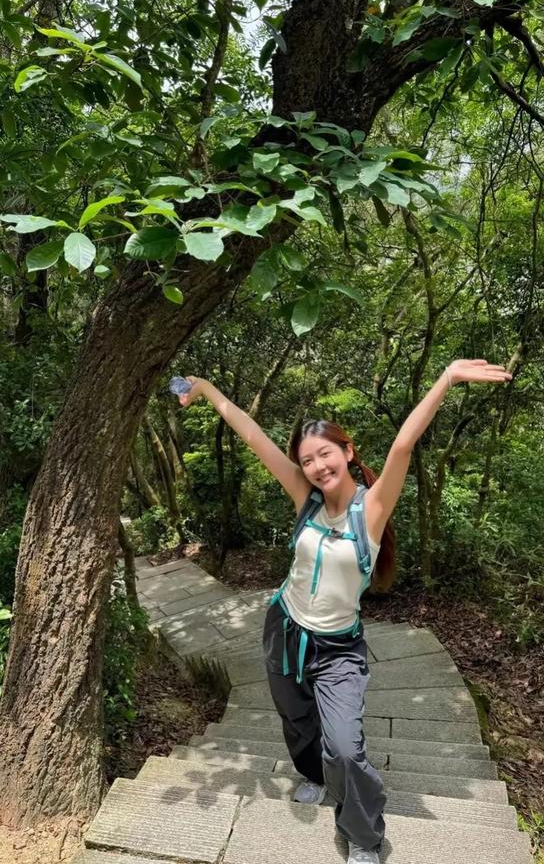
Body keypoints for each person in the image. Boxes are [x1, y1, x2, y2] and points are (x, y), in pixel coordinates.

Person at [177, 359, 512, 864]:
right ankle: (312, 776)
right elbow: (253, 437)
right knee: (296, 720)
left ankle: (362, 835)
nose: (316, 466)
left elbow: (402, 446)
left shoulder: (371, 509)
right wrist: (206, 387)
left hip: (337, 649)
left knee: (346, 749)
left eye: (325, 454)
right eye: (307, 460)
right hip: (284, 629)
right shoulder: (305, 500)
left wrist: (446, 379)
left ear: (347, 452)